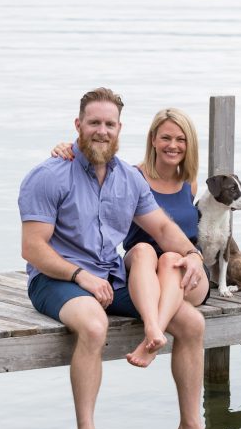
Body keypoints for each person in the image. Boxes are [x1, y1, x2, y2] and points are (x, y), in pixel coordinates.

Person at [18, 87, 230, 429]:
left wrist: (193, 255)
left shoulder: (129, 180)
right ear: (78, 125)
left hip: (109, 275)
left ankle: (190, 426)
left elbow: (162, 228)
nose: (102, 131)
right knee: (94, 325)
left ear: (120, 129)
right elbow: (33, 248)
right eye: (94, 123)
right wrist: (79, 275)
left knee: (192, 323)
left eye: (109, 124)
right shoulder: (49, 176)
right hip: (56, 278)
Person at [51, 107, 209, 368]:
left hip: (185, 271)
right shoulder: (132, 177)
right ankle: (155, 331)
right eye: (166, 138)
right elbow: (97, 158)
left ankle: (153, 334)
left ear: (189, 144)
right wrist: (68, 148)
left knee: (171, 258)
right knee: (146, 249)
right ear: (153, 140)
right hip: (142, 268)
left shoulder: (188, 182)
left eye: (181, 139)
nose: (173, 145)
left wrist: (194, 256)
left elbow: (179, 236)